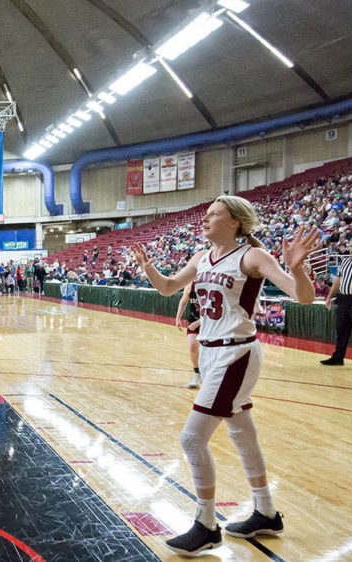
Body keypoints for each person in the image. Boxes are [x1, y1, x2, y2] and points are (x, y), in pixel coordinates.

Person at [132, 196, 319, 556]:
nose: (205, 220)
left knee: (192, 438)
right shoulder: (202, 257)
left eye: (213, 214)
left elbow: (304, 297)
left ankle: (206, 525)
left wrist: (296, 268)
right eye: (204, 214)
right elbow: (169, 287)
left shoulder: (252, 256)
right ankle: (265, 511)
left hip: (237, 353)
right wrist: (148, 268)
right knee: (241, 430)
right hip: (212, 352)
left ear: (235, 221)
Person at [321, 240, 352, 366]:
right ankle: (338, 358)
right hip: (343, 299)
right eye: (350, 246)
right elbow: (337, 282)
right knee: (341, 329)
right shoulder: (345, 261)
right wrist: (329, 297)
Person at [175, 282, 203, 388]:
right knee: (192, 346)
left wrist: (199, 322)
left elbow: (212, 310)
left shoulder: (209, 285)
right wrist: (178, 318)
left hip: (210, 321)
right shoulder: (189, 286)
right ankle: (197, 374)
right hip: (194, 319)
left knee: (209, 350)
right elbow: (183, 302)